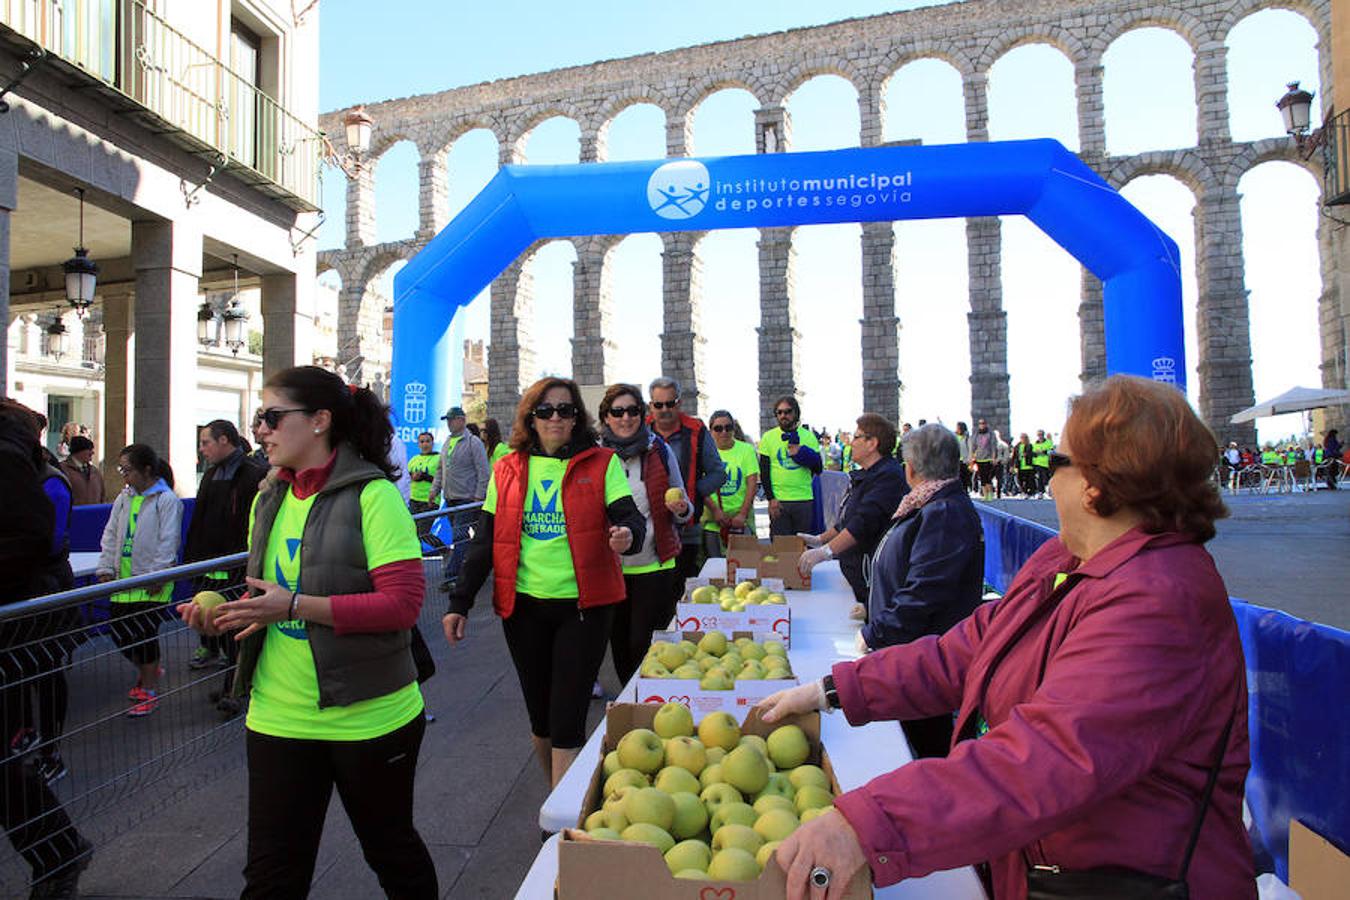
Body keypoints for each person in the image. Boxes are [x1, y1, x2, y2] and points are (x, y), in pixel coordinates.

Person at [758, 375, 1253, 900]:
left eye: (1058, 462)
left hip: (1118, 879)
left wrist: (865, 825)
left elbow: (1042, 761)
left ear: (1096, 484)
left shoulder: (1159, 603)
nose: (1047, 476)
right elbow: (965, 651)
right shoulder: (1067, 561)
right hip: (1042, 863)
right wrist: (836, 690)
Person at [179, 365, 438, 898]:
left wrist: (293, 605)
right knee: (273, 876)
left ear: (320, 420)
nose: (261, 432)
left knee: (391, 853)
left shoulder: (374, 496)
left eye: (272, 417)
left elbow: (403, 604)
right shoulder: (268, 497)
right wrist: (229, 612)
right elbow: (267, 595)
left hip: (370, 717)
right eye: (258, 419)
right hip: (276, 714)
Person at [445, 377, 645, 787]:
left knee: (567, 717)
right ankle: (557, 798)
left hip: (584, 608)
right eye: (546, 410)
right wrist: (459, 602)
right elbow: (485, 539)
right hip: (524, 609)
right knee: (540, 718)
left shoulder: (602, 463)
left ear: (577, 419)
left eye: (566, 410)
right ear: (530, 418)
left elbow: (629, 517)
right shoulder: (508, 468)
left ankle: (559, 827)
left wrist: (627, 536)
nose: (556, 418)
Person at [0, 401, 93, 899]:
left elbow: (33, 538)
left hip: (14, 628)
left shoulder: (12, 460)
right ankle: (59, 850)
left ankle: (58, 850)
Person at [859, 423, 983, 758]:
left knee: (927, 748)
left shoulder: (942, 512)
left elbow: (924, 591)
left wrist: (875, 632)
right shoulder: (930, 504)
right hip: (918, 655)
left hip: (928, 664)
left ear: (910, 468)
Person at [598, 384, 691, 685]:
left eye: (633, 410)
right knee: (620, 644)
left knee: (645, 643)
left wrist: (681, 509)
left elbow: (686, 508)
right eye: (618, 411)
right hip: (610, 569)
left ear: (642, 413)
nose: (626, 418)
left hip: (655, 564)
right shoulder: (594, 456)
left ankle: (651, 697)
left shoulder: (659, 450)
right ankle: (632, 702)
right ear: (606, 417)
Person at [183, 421, 267, 711]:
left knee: (239, 630)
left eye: (206, 442)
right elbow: (199, 520)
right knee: (226, 630)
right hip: (212, 568)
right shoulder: (210, 475)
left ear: (223, 440)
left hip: (239, 569)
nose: (202, 449)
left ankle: (236, 688)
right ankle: (233, 685)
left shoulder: (254, 474)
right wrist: (192, 560)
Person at [96, 444, 180, 717]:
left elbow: (169, 541)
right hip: (123, 582)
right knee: (121, 634)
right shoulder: (124, 498)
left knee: (144, 637)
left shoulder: (167, 501)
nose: (124, 476)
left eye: (127, 470)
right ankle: (149, 670)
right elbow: (110, 533)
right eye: (121, 469)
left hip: (151, 583)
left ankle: (149, 688)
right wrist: (106, 566)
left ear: (146, 470)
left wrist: (159, 574)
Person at [796, 414, 908, 608]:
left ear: (872, 443)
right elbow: (848, 519)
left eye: (857, 437)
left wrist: (825, 552)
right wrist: (820, 539)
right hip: (855, 572)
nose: (851, 442)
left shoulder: (887, 477)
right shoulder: (868, 474)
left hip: (870, 579)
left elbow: (863, 523)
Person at [647, 377, 725, 580]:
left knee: (682, 587)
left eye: (670, 403)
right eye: (658, 404)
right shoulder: (640, 431)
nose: (664, 409)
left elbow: (718, 473)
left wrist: (692, 493)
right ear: (650, 406)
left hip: (686, 529)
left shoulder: (697, 430)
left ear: (679, 403)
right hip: (648, 528)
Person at [429, 405, 489, 585]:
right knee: (462, 536)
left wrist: (478, 496)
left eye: (451, 419)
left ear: (461, 420)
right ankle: (473, 565)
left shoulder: (473, 443)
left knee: (459, 535)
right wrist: (434, 490)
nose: (448, 423)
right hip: (450, 498)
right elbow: (441, 469)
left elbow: (483, 471)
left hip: (467, 498)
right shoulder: (447, 442)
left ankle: (452, 575)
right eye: (447, 420)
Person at [759, 395, 823, 536]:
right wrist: (771, 499)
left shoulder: (809, 437)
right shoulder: (768, 437)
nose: (783, 415)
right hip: (779, 501)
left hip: (804, 499)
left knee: (803, 546)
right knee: (780, 548)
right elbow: (764, 472)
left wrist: (802, 454)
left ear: (796, 413)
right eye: (779, 412)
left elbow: (818, 468)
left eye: (788, 412)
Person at [703, 410, 759, 558]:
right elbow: (700, 486)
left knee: (745, 568)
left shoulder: (746, 450)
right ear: (711, 431)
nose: (724, 432)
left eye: (728, 427)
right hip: (713, 522)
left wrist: (742, 514)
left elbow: (752, 482)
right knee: (716, 569)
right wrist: (715, 511)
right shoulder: (703, 452)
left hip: (741, 522)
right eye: (718, 428)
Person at [406, 431, 440, 539]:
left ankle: (445, 550)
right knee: (414, 533)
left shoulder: (439, 458)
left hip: (430, 501)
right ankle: (418, 555)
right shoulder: (413, 459)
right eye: (422, 442)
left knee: (423, 533)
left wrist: (424, 477)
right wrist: (413, 476)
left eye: (428, 441)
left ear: (432, 443)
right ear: (418, 444)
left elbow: (441, 479)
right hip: (414, 500)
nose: (425, 444)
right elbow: (406, 476)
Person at [58, 436, 105, 506]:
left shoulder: (95, 472)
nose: (92, 453)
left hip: (95, 514)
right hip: (73, 515)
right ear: (79, 451)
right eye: (89, 449)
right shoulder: (62, 470)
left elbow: (102, 496)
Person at [971, 418, 997, 501]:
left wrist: (993, 457)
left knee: (987, 477)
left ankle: (990, 494)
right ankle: (985, 494)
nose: (982, 425)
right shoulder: (976, 434)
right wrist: (972, 457)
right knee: (982, 477)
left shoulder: (990, 434)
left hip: (988, 458)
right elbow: (973, 446)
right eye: (980, 423)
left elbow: (993, 446)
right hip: (979, 458)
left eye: (983, 423)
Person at [1012, 433, 1037, 498]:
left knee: (1029, 480)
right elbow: (1014, 456)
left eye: (1024, 437)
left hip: (1028, 466)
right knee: (1020, 480)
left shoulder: (1030, 445)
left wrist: (1027, 454)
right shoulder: (1017, 446)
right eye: (1022, 437)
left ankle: (1028, 492)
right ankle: (1023, 491)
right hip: (1020, 466)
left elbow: (1034, 454)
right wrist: (1012, 466)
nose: (1023, 439)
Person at [1031, 429, 1054, 496]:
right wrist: (1036, 453)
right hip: (1037, 463)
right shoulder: (1035, 444)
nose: (1040, 436)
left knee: (1045, 478)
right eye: (1039, 435)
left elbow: (1051, 451)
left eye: (1041, 434)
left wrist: (1043, 452)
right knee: (1039, 478)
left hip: (1046, 464)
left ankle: (1047, 490)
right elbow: (1033, 453)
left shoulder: (1048, 442)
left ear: (1043, 435)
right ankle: (1040, 492)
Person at [953, 421, 972, 494]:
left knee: (965, 477)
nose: (956, 429)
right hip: (956, 461)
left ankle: (965, 491)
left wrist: (969, 459)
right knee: (957, 478)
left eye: (957, 427)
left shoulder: (967, 437)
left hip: (964, 460)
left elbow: (970, 449)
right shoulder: (954, 436)